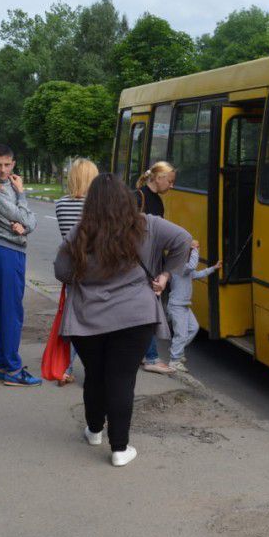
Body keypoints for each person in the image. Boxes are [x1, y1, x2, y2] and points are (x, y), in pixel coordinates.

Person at [54, 174, 191, 467]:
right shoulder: (148, 225)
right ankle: (120, 448)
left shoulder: (80, 232)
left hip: (87, 317)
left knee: (95, 375)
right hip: (135, 315)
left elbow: (61, 272)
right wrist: (165, 274)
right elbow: (183, 241)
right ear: (126, 199)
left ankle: (93, 430)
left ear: (91, 204)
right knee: (122, 378)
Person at [0, 145, 39, 387]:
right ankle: (12, 369)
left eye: (7, 164)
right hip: (7, 249)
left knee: (6, 308)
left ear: (13, 163)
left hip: (11, 249)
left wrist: (24, 225)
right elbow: (26, 219)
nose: (3, 170)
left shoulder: (5, 187)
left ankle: (4, 365)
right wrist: (22, 198)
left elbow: (27, 222)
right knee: (12, 310)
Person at [54, 157, 99, 386]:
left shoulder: (61, 204)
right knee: (96, 320)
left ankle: (65, 367)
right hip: (94, 268)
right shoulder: (95, 207)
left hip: (72, 267)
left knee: (73, 319)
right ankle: (96, 367)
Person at [134, 161, 177, 374]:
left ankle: (145, 355)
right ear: (158, 178)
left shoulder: (156, 201)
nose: (171, 185)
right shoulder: (138, 197)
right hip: (143, 264)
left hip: (152, 262)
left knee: (146, 308)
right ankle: (150, 357)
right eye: (170, 181)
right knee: (148, 308)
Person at [166, 240, 221, 372]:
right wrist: (195, 248)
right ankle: (174, 360)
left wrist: (213, 268)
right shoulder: (179, 267)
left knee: (193, 328)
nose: (189, 254)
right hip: (177, 305)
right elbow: (192, 266)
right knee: (181, 334)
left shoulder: (184, 269)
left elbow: (197, 274)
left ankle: (176, 350)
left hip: (184, 305)